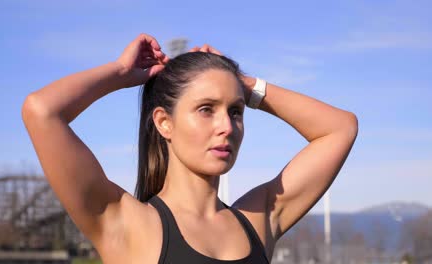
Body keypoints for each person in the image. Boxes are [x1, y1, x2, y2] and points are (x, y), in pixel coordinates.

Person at [22, 33, 358, 263]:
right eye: (206, 109)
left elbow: (340, 128)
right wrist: (121, 73)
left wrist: (243, 83)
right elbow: (42, 111)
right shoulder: (128, 225)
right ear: (164, 123)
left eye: (236, 111)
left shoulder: (257, 220)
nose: (227, 126)